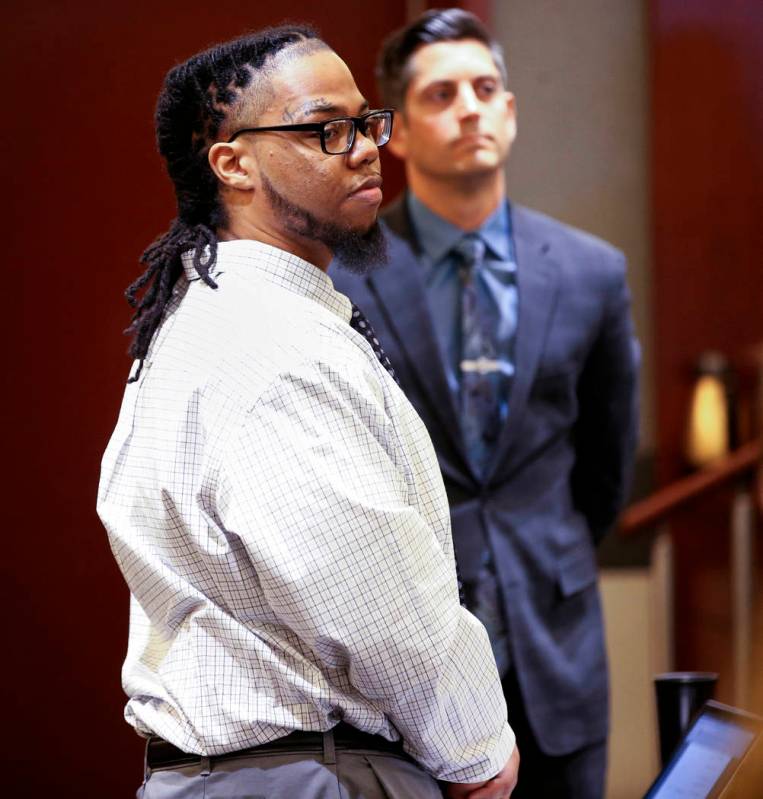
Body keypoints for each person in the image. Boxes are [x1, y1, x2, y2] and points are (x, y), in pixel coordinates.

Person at [97, 25, 520, 799]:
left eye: (366, 122)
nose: (363, 148)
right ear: (231, 162)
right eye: (326, 128)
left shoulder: (224, 313)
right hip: (310, 771)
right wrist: (477, 750)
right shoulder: (265, 341)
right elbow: (374, 598)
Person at [331, 9, 640, 799]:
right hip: (410, 661)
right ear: (395, 132)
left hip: (556, 642)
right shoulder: (343, 277)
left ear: (508, 109)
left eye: (485, 88)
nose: (468, 107)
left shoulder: (589, 271)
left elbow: (606, 461)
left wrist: (551, 547)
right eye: (440, 94)